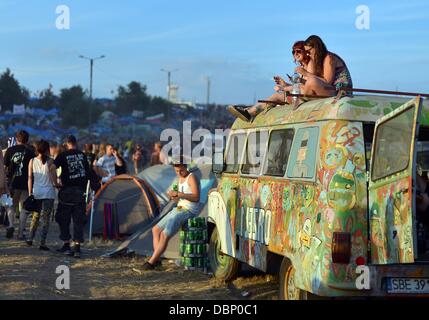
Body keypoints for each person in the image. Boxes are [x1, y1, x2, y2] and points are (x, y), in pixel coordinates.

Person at [227, 41, 311, 122]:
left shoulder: (309, 67)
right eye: (293, 52)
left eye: (298, 51)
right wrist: (284, 84)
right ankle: (249, 111)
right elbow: (298, 87)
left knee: (277, 95)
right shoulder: (301, 68)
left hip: (305, 97)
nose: (295, 54)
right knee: (275, 97)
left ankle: (249, 113)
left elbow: (308, 86)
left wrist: (284, 88)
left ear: (305, 52)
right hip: (298, 96)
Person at [142, 158, 201, 270]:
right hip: (179, 208)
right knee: (155, 230)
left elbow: (196, 197)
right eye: (176, 171)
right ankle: (157, 259)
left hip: (188, 210)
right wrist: (173, 197)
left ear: (185, 167)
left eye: (181, 171)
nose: (179, 173)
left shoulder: (191, 177)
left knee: (165, 235)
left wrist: (179, 194)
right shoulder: (180, 179)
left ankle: (151, 262)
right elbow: (179, 200)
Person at [54, 135, 91, 258]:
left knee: (63, 218)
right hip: (80, 192)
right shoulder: (82, 155)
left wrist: (55, 182)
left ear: (66, 143)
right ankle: (77, 247)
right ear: (76, 143)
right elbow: (88, 171)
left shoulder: (63, 155)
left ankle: (66, 245)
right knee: (78, 220)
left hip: (67, 191)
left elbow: (51, 167)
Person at [3, 130, 35, 239]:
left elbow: (5, 167)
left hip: (13, 182)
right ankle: (21, 233)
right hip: (26, 183)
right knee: (24, 209)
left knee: (11, 205)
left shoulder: (10, 150)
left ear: (17, 139)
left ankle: (11, 225)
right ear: (27, 140)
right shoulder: (31, 152)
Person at [26, 140, 58, 250]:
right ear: (47, 149)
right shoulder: (51, 162)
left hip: (37, 192)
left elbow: (30, 178)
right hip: (48, 193)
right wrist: (57, 185)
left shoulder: (32, 161)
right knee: (45, 219)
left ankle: (30, 238)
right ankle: (42, 243)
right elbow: (54, 179)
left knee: (35, 216)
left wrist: (30, 193)